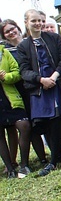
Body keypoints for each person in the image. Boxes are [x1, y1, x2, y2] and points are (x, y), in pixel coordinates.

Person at [17, 9, 61, 176]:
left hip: (56, 84)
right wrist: (41, 80)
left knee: (57, 118)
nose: (38, 24)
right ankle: (60, 157)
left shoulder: (54, 38)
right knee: (47, 122)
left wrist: (54, 76)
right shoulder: (23, 46)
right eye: (34, 21)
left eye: (40, 21)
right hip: (39, 89)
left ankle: (55, 160)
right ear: (27, 23)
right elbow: (24, 71)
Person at [0, 19, 45, 173]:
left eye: (13, 29)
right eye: (7, 32)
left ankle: (41, 158)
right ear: (4, 36)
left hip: (27, 90)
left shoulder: (23, 46)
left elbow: (23, 70)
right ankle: (13, 165)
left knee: (33, 125)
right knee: (18, 128)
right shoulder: (6, 50)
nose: (11, 33)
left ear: (18, 28)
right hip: (12, 95)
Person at [0, 38, 30, 178]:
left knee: (24, 126)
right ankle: (10, 168)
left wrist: (5, 77)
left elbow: (17, 72)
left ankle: (24, 165)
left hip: (10, 99)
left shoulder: (4, 52)